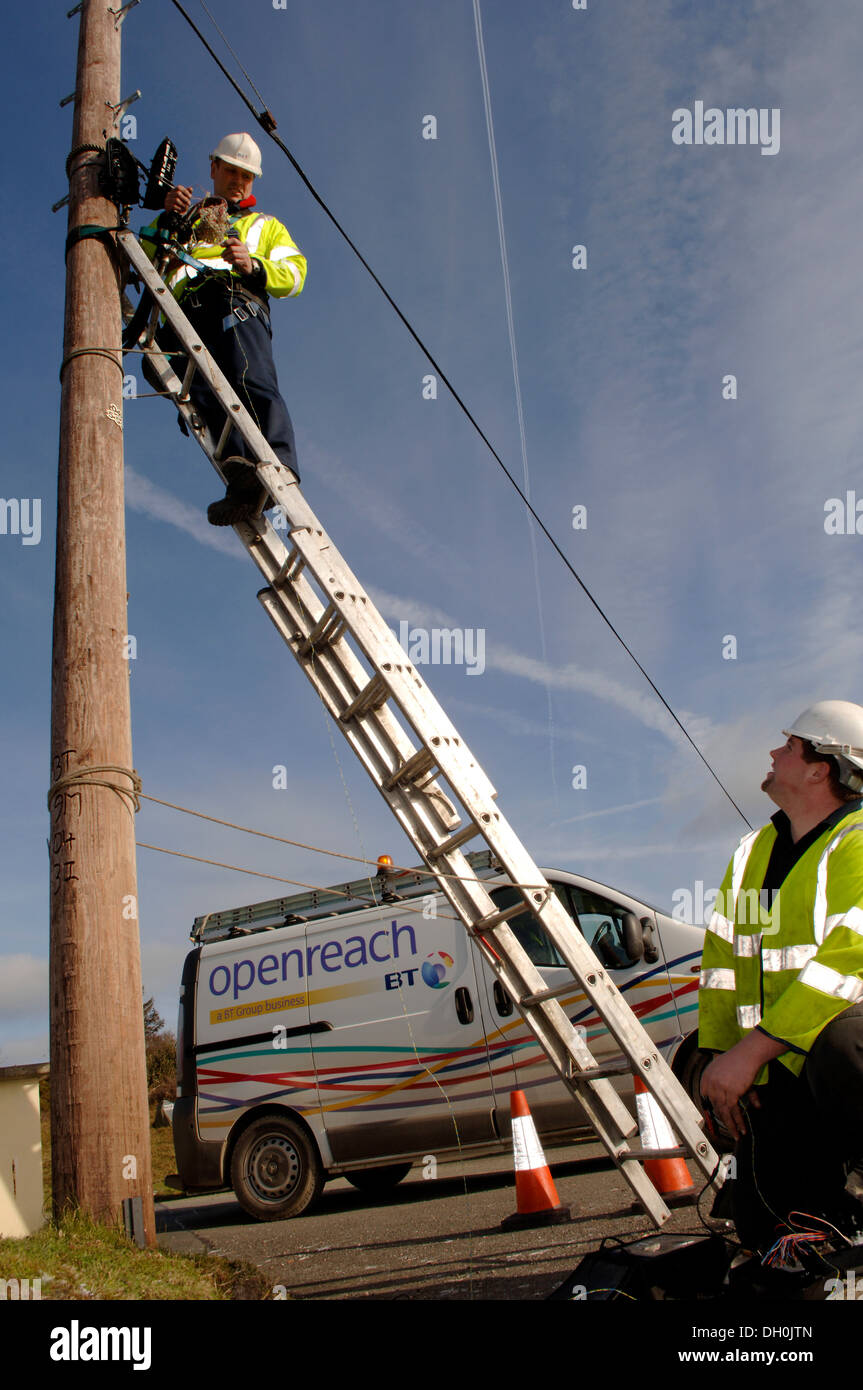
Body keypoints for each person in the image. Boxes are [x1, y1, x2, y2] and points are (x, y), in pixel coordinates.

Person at [698, 701, 863, 1252]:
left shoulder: (858, 838)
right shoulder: (754, 853)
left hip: (841, 1054)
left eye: (790, 745)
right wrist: (720, 1067)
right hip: (785, 1063)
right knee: (768, 1230)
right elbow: (724, 968)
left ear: (823, 768)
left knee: (844, 1044)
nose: (773, 752)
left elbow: (849, 958)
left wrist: (751, 1054)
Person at [140, 133, 306, 525]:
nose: (238, 181)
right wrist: (166, 214)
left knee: (248, 380)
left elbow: (297, 274)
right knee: (182, 380)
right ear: (214, 168)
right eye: (231, 171)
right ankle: (241, 477)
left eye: (246, 176)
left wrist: (254, 266)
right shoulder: (188, 218)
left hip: (235, 301)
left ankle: (279, 469)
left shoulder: (264, 226)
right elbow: (141, 256)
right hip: (184, 313)